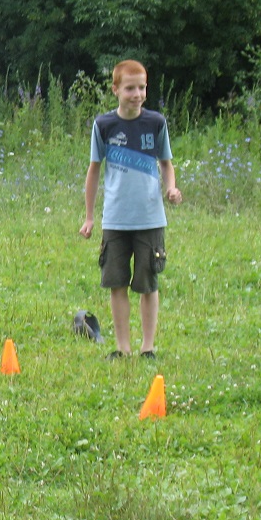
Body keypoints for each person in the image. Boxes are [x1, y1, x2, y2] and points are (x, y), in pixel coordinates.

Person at [79, 60, 182, 359]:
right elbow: (94, 170)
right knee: (117, 283)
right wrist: (89, 216)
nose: (137, 94)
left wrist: (170, 187)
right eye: (129, 88)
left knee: (148, 284)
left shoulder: (156, 123)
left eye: (142, 87)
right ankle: (122, 347)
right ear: (115, 90)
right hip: (115, 219)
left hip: (150, 218)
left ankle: (147, 347)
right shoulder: (104, 126)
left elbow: (166, 163)